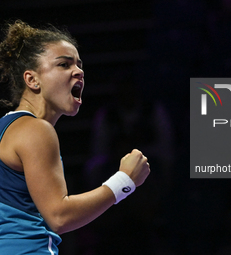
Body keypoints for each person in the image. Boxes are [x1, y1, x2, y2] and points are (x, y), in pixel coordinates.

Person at [0, 20, 150, 254]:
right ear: (32, 80)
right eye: (63, 64)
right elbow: (59, 216)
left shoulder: (7, 128)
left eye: (79, 65)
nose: (79, 71)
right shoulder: (36, 129)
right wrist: (125, 181)